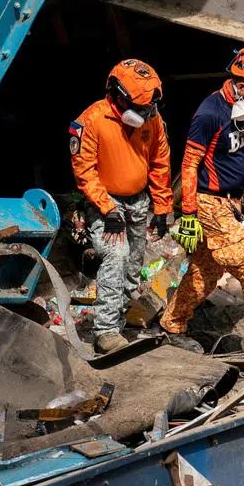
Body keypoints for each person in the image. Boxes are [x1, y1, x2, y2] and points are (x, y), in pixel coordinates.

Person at [158, 48, 244, 357]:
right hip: (207, 202)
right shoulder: (209, 114)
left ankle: (172, 325)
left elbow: (235, 157)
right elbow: (189, 165)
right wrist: (188, 213)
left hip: (229, 201)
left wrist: (241, 196)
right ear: (243, 85)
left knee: (205, 272)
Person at [70, 58, 173, 354]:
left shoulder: (152, 120)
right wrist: (108, 209)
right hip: (105, 201)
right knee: (116, 255)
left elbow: (159, 163)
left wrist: (163, 206)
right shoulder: (91, 121)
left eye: (148, 107)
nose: (146, 113)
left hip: (138, 202)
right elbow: (84, 171)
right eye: (140, 107)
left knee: (132, 265)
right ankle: (105, 332)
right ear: (117, 96)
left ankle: (122, 316)